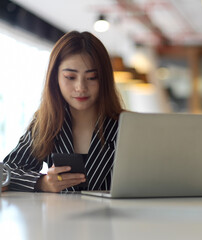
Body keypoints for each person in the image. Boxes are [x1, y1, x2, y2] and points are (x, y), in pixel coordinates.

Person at [3, 31, 124, 192]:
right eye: (70, 77)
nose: (81, 87)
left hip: (117, 217)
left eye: (92, 77)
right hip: (59, 216)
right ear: (55, 78)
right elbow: (6, 173)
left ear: (105, 80)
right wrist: (42, 183)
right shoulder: (47, 122)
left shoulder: (126, 126)